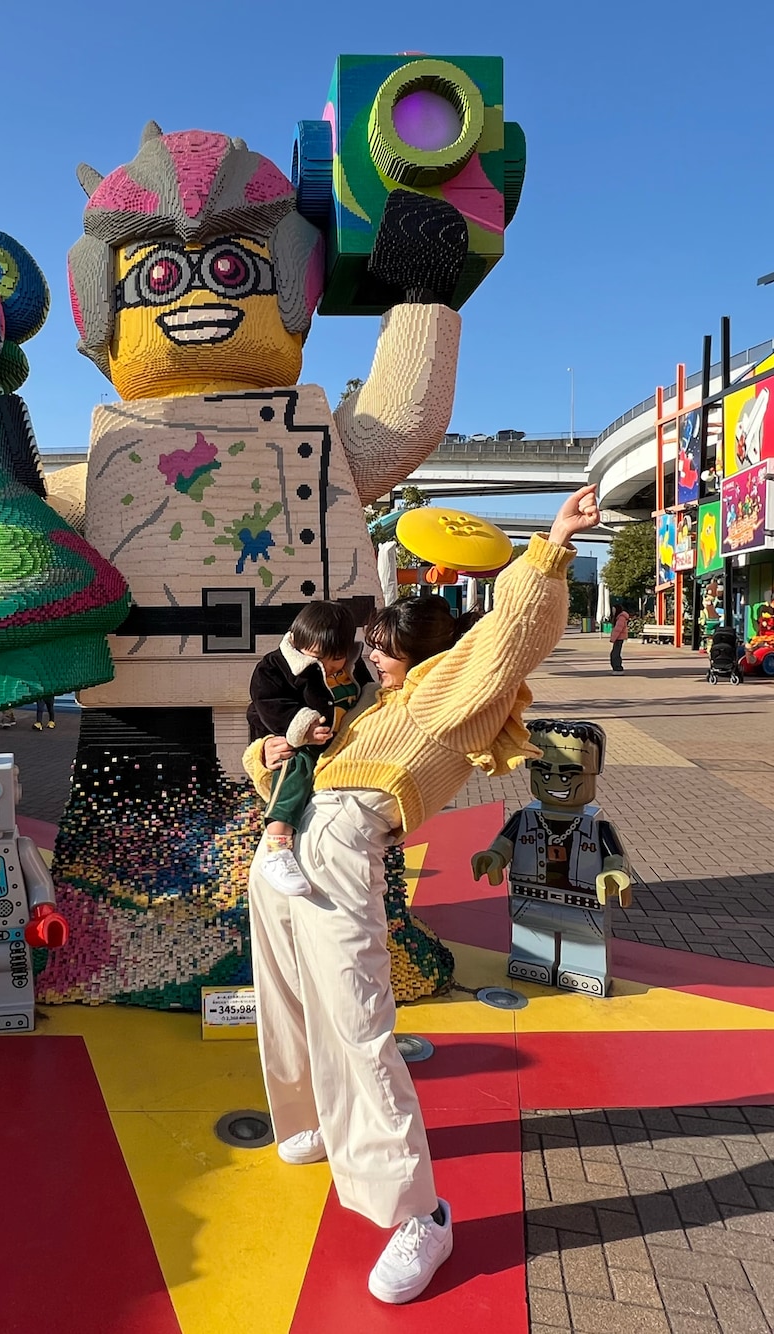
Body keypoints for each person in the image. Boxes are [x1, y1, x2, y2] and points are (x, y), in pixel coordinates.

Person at [242, 484, 598, 1306]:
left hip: (342, 850)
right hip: (290, 845)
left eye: (382, 648)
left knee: (359, 1021)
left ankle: (419, 1215)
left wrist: (549, 546)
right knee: (286, 996)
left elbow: (511, 636)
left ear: (423, 651)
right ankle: (313, 1119)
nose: (369, 658)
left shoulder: (448, 692)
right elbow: (298, 767)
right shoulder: (379, 704)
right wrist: (269, 755)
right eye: (369, 647)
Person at [247, 602, 372, 895]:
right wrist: (303, 727)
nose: (327, 666)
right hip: (303, 745)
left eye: (336, 658)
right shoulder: (275, 667)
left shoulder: (354, 666)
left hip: (344, 750)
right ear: (298, 642)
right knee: (295, 766)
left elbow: (368, 693)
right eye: (317, 658)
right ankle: (277, 847)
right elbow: (268, 704)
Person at [609, 604, 630, 673]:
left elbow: (618, 629)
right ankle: (616, 668)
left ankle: (618, 668)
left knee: (615, 654)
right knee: (615, 653)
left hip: (619, 638)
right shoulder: (619, 617)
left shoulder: (621, 618)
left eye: (614, 610)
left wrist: (613, 638)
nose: (613, 611)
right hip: (619, 638)